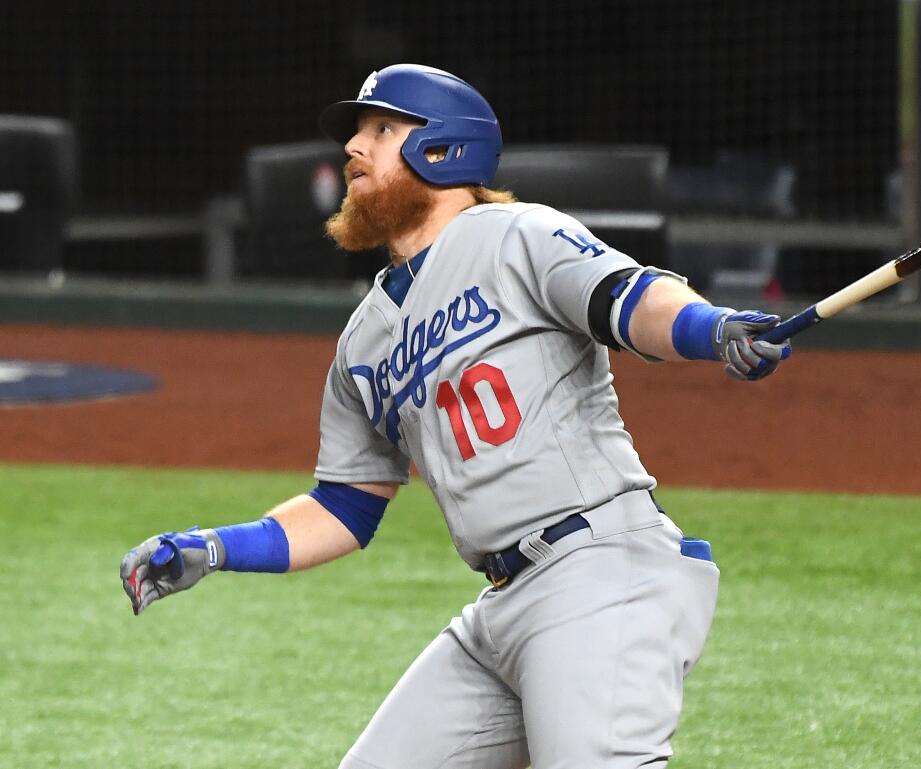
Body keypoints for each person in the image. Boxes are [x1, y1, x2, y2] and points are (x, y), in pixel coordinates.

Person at [120, 63, 791, 769]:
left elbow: (629, 299)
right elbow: (345, 506)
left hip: (599, 569)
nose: (353, 148)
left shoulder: (515, 236)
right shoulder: (363, 339)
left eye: (380, 130)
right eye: (356, 134)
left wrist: (711, 328)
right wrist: (212, 546)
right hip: (502, 611)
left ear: (442, 150)